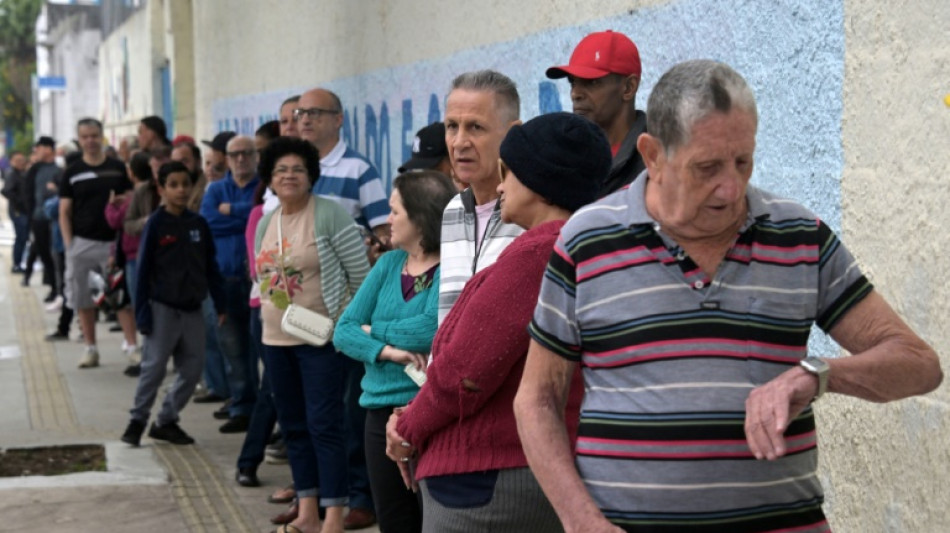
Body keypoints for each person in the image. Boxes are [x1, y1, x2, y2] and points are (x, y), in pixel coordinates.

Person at [514, 59, 944, 533]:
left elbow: (918, 365)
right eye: (708, 167)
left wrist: (816, 376)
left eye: (743, 161)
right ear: (653, 154)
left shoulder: (799, 236)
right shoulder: (586, 240)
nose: (731, 186)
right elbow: (537, 400)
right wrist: (580, 521)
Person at [385, 112, 610, 532]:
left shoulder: (537, 255)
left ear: (540, 183)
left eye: (511, 173)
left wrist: (407, 428)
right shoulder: (580, 247)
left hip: (488, 485)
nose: (502, 185)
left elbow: (464, 374)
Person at [253, 136, 370, 533]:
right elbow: (262, 278)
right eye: (281, 170)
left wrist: (344, 327)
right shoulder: (268, 221)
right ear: (270, 178)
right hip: (275, 341)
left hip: (321, 342)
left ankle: (333, 516)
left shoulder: (330, 215)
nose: (289, 176)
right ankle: (306, 511)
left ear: (311, 176)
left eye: (298, 170)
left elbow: (362, 279)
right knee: (294, 427)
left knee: (325, 426)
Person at [334, 170, 457, 533]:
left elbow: (431, 329)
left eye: (395, 211)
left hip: (428, 410)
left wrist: (374, 331)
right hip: (377, 413)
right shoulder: (388, 264)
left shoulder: (451, 266)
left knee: (432, 520)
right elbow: (343, 331)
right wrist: (390, 351)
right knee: (394, 521)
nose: (388, 220)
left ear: (420, 217)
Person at [296, 86, 390, 527]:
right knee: (312, 409)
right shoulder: (296, 171)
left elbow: (385, 236)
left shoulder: (358, 170)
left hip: (346, 312)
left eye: (315, 112)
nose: (305, 119)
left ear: (338, 120)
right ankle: (313, 498)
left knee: (351, 408)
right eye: (300, 113)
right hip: (298, 314)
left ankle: (360, 497)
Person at [120, 161, 226, 447]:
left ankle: (166, 420)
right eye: (174, 185)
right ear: (162, 189)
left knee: (193, 370)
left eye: (185, 184)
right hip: (161, 309)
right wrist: (142, 314)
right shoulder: (156, 224)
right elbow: (142, 274)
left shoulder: (198, 224)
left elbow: (210, 266)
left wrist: (221, 303)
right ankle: (137, 421)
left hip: (193, 309)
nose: (181, 190)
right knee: (153, 368)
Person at [437, 70, 524, 324]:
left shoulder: (532, 212)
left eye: (475, 127)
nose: (459, 142)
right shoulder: (454, 209)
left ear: (513, 133)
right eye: (452, 126)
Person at [59, 118, 138, 369]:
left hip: (114, 243)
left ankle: (132, 346)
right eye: (85, 137)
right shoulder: (72, 171)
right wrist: (70, 245)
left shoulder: (117, 167)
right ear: (79, 140)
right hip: (83, 243)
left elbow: (131, 199)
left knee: (121, 296)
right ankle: (90, 348)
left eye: (94, 135)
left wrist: (122, 201)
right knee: (84, 298)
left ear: (101, 137)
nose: (90, 141)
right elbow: (64, 211)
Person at [200, 134, 260, 433]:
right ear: (226, 158)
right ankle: (241, 406)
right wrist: (246, 215)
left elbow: (261, 219)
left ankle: (260, 408)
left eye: (246, 153)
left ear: (255, 156)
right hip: (224, 281)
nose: (240, 159)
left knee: (258, 348)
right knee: (232, 347)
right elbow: (209, 222)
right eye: (234, 154)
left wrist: (234, 212)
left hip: (256, 283)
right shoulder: (215, 190)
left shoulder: (263, 188)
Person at [546, 30, 646, 194]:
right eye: (572, 83)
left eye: (591, 82)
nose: (575, 94)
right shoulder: (563, 157)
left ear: (629, 87)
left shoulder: (655, 156)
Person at [22, 136, 60, 299]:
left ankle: (59, 289)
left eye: (40, 147)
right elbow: (27, 193)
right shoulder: (35, 169)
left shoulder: (59, 170)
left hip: (56, 220)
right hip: (38, 219)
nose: (37, 150)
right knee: (44, 254)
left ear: (49, 149)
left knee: (57, 256)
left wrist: (56, 189)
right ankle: (53, 287)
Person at [1, 151, 29, 273]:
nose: (21, 163)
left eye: (22, 160)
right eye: (17, 160)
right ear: (12, 162)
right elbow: (5, 191)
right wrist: (19, 201)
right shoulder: (12, 174)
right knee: (21, 237)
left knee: (23, 237)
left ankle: (19, 262)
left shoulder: (22, 173)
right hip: (18, 211)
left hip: (24, 210)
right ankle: (16, 264)